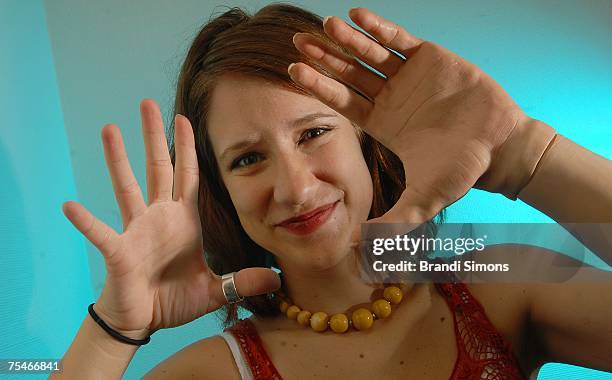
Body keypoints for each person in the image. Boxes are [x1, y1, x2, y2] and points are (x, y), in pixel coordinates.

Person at [53, 4, 612, 379]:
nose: (295, 188)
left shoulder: (503, 285)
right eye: (248, 159)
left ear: (367, 142)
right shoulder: (216, 371)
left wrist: (523, 153)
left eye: (313, 134)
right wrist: (112, 331)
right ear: (221, 193)